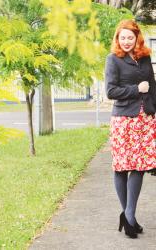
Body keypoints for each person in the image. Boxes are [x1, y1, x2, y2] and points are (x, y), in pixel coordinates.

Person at [105, 19, 156, 239]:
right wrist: (136, 89)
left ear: (137, 38)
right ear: (118, 38)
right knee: (121, 167)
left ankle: (129, 215)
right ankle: (130, 218)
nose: (126, 41)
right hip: (123, 119)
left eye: (130, 37)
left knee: (139, 166)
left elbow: (153, 86)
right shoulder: (112, 59)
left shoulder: (145, 58)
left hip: (144, 119)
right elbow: (111, 91)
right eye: (122, 37)